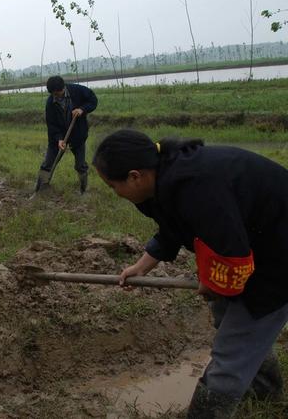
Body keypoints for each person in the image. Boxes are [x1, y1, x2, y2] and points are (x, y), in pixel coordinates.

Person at [93, 129, 288, 418]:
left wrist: (215, 285)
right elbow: (174, 227)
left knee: (231, 353)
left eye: (112, 186)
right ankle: (265, 392)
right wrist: (142, 265)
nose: (116, 194)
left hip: (278, 258)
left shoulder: (197, 186)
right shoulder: (163, 180)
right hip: (253, 243)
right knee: (229, 320)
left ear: (135, 175)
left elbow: (230, 251)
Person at [36, 75, 97, 194]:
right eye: (53, 94)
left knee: (80, 165)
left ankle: (84, 190)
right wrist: (59, 139)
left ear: (63, 88)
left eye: (58, 93)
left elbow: (93, 100)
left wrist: (82, 109)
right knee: (48, 163)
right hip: (58, 137)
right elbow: (52, 124)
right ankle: (40, 189)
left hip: (77, 134)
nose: (56, 96)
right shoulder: (50, 103)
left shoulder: (78, 91)